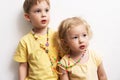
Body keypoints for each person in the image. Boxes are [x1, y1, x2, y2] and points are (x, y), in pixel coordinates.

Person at [14, 0, 60, 80]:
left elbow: (65, 59)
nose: (44, 15)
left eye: (46, 10)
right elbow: (23, 65)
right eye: (38, 11)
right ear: (28, 17)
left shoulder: (57, 36)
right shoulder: (25, 41)